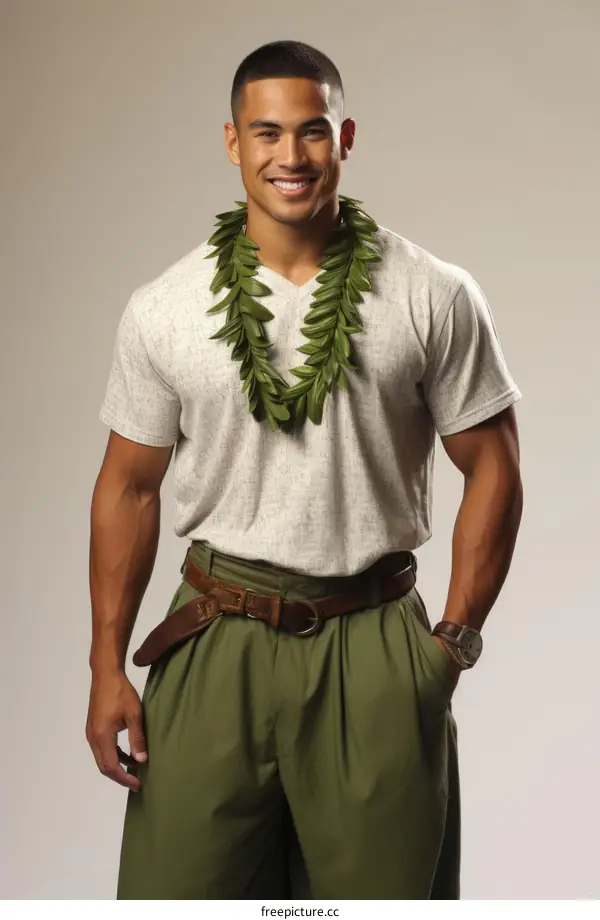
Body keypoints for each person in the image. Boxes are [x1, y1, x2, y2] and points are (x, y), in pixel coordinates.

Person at [86, 39, 523, 900]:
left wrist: (450, 646)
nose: (291, 156)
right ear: (232, 143)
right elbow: (128, 488)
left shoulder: (432, 294)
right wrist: (106, 667)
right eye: (267, 133)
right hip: (216, 634)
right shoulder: (164, 308)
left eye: (312, 132)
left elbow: (497, 466)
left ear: (344, 137)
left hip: (374, 640)